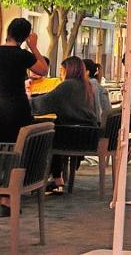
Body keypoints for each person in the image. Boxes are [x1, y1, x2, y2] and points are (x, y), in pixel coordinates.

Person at [0, 18, 47, 218]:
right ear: (25, 36)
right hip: (17, 109)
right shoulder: (22, 55)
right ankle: (7, 200)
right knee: (14, 153)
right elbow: (43, 69)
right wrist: (34, 47)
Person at [33, 56, 100, 193]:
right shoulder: (86, 85)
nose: (60, 75)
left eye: (62, 71)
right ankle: (57, 179)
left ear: (69, 71)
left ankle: (37, 178)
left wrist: (21, 101)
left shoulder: (68, 86)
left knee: (43, 133)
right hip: (88, 134)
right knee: (53, 126)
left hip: (73, 137)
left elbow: (44, 103)